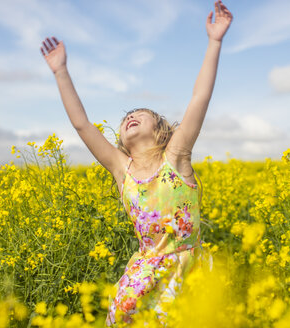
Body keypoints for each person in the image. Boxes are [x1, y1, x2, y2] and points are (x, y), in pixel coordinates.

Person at [40, 0, 232, 325]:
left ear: (162, 131)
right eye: (127, 116)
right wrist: (60, 71)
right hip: (141, 278)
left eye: (140, 114)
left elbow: (199, 98)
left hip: (188, 273)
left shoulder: (177, 157)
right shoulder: (121, 168)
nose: (130, 116)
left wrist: (214, 41)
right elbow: (82, 125)